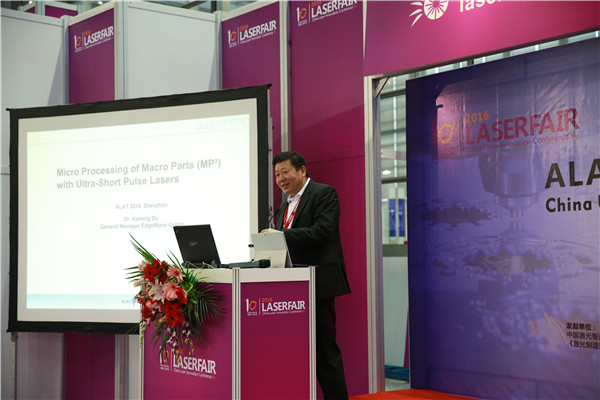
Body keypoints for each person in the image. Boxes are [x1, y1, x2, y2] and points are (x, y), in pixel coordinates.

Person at [262, 151, 351, 399]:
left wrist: (281, 235)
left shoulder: (323, 193)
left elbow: (324, 231)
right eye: (277, 174)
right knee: (297, 351)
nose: (280, 179)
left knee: (324, 352)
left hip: (318, 285)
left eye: (285, 172)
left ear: (302, 170)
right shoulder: (284, 205)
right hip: (292, 289)